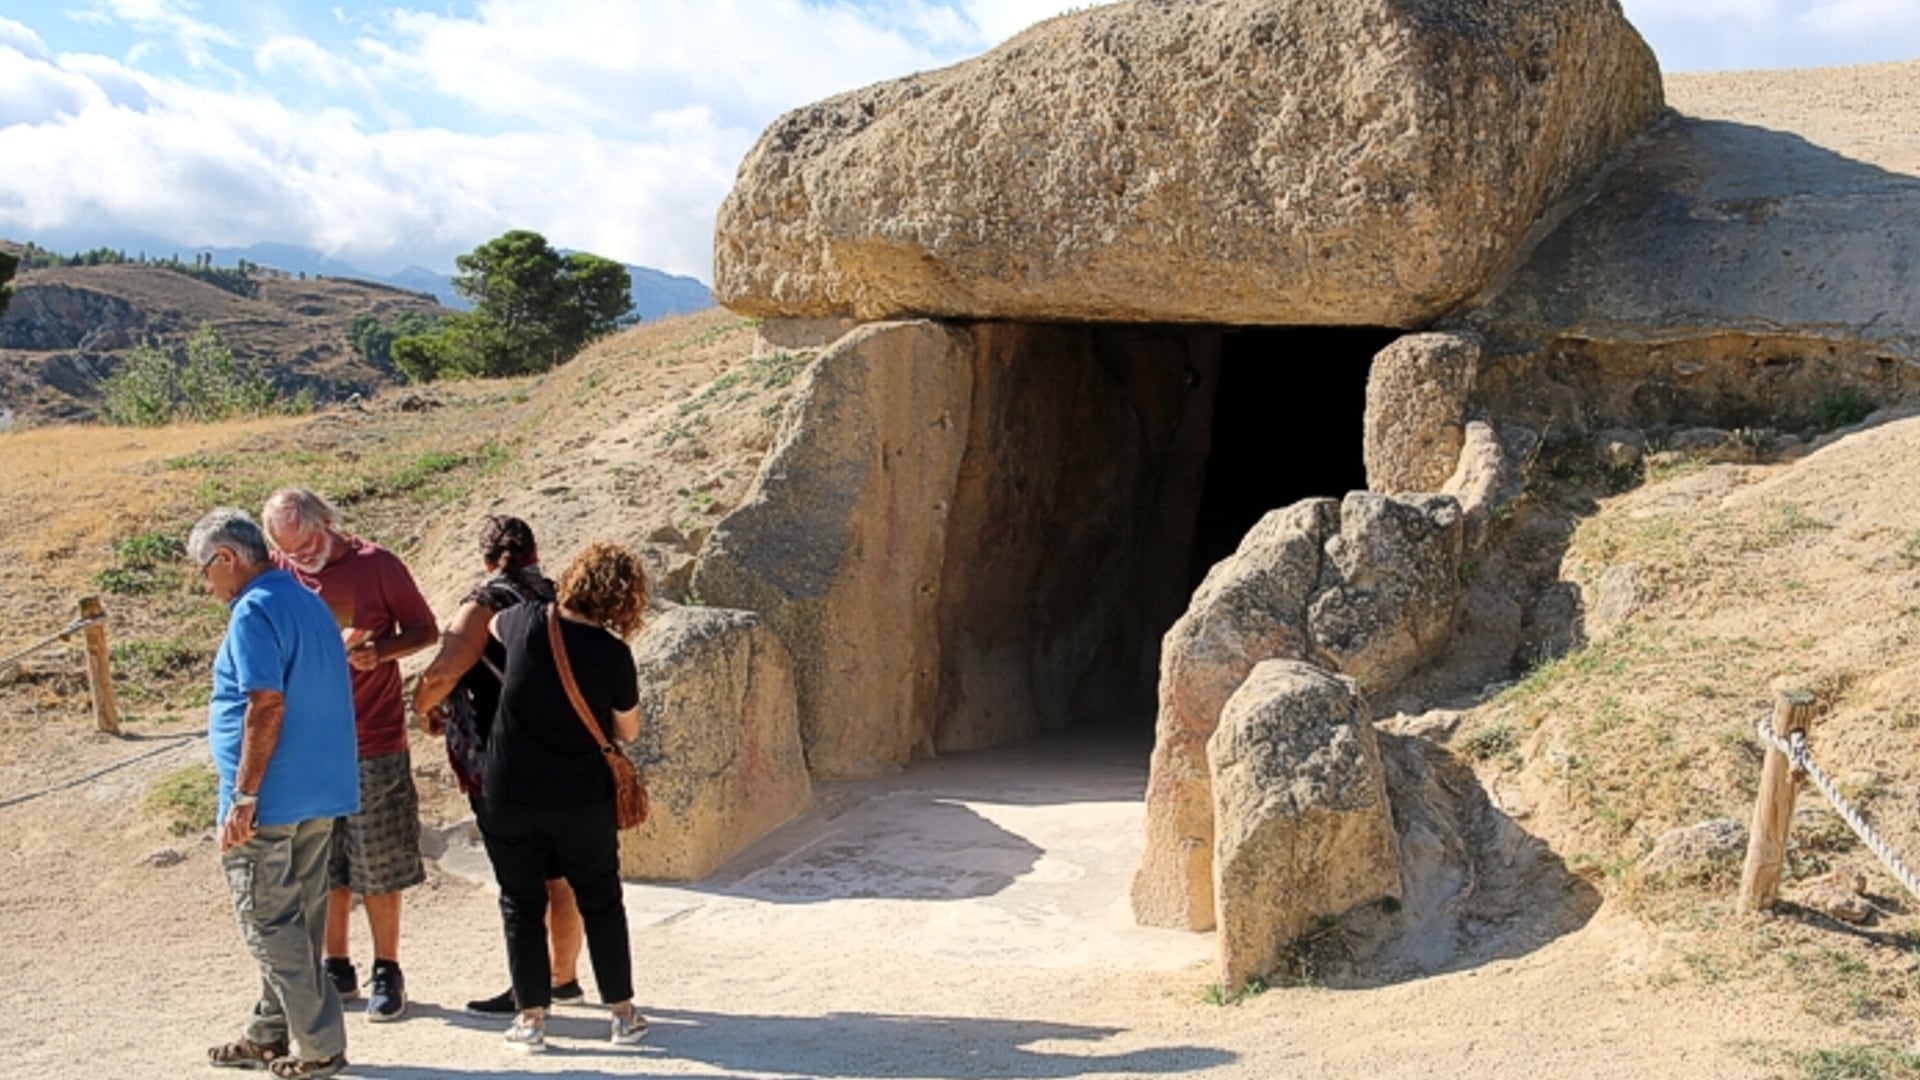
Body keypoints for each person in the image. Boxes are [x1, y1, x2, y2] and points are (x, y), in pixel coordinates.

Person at [261, 487, 439, 1022]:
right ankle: (336, 964)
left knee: (378, 859)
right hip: (305, 744)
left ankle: (388, 968)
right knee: (321, 862)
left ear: (328, 522)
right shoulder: (277, 569)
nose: (301, 558)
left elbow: (426, 630)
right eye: (288, 550)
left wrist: (380, 652)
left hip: (372, 736)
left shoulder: (377, 564)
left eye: (308, 544)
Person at [193, 508, 358, 1079]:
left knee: (266, 923)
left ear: (227, 558)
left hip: (269, 799)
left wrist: (243, 796)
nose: (205, 584)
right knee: (298, 922)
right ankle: (268, 1031)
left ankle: (320, 1046)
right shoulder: (309, 601)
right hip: (321, 790)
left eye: (203, 570)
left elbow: (265, 703)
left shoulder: (252, 611)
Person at [408, 515, 587, 1015]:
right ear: (535, 551)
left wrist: (423, 705)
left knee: (520, 884)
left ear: (486, 559)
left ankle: (527, 990)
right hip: (563, 754)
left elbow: (446, 670)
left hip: (502, 760)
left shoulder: (484, 603)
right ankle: (563, 976)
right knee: (560, 875)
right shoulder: (562, 598)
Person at [482, 540, 650, 1052]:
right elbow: (628, 729)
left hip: (509, 789)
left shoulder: (522, 622)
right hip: (580, 795)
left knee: (520, 902)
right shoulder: (613, 653)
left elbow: (490, 628)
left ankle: (531, 1019)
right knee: (600, 897)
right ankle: (621, 1013)